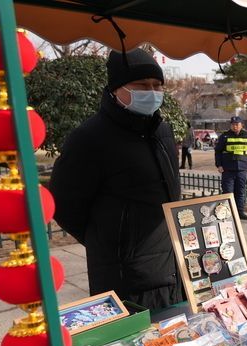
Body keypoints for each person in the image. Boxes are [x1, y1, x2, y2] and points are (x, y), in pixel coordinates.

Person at [50, 48, 182, 310]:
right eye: (142, 85)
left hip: (173, 264)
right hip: (125, 276)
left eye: (157, 85)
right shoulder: (89, 137)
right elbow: (64, 205)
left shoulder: (163, 131)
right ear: (115, 89)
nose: (152, 92)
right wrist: (111, 243)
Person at [215, 116, 247, 220]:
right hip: (228, 169)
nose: (235, 126)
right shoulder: (224, 136)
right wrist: (219, 165)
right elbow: (218, 151)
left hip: (242, 168)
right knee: (227, 192)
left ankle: (240, 212)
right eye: (233, 124)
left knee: (240, 192)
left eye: (237, 124)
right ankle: (226, 213)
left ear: (241, 125)